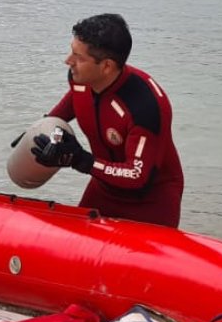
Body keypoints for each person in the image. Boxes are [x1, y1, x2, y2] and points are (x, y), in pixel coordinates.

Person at [29, 13, 184, 228]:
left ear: (107, 67)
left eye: (78, 57)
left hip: (151, 199)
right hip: (103, 189)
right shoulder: (80, 79)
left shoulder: (145, 107)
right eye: (71, 51)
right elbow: (75, 102)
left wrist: (81, 160)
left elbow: (137, 175)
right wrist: (45, 132)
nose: (68, 61)